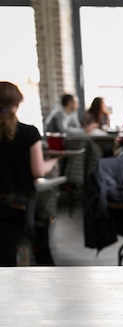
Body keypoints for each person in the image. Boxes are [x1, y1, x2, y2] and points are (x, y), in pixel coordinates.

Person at [0, 81, 60, 265]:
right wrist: (55, 160)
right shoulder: (29, 133)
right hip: (19, 210)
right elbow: (38, 171)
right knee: (43, 225)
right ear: (17, 104)